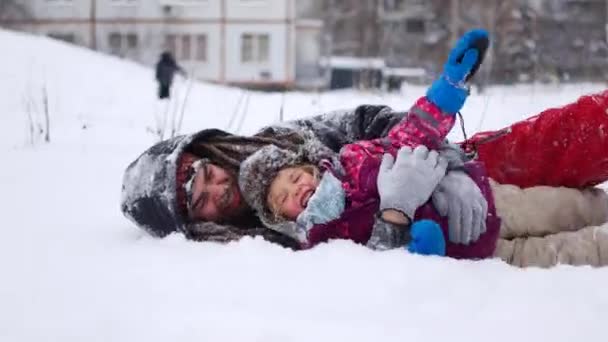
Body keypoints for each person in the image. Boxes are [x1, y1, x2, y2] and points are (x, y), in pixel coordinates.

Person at [237, 30, 608, 268]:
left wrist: (444, 95)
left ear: (310, 166)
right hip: (477, 256)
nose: (297, 189)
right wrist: (407, 238)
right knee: (567, 255)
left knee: (567, 207)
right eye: (283, 197)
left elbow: (409, 137)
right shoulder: (321, 242)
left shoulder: (353, 159)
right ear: (278, 218)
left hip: (488, 200)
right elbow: (374, 265)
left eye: (294, 177)